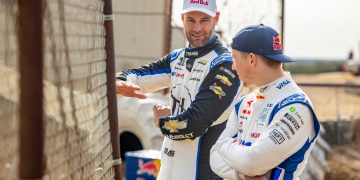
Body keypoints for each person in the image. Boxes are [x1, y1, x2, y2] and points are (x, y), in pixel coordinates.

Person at [116, 0, 242, 179]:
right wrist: (119, 83)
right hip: (169, 168)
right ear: (182, 18)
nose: (197, 28)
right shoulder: (177, 58)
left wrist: (162, 122)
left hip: (202, 172)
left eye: (204, 20)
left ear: (216, 19)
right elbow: (136, 75)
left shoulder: (225, 65)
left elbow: (193, 123)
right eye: (191, 20)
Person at [210, 24, 320, 180]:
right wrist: (243, 176)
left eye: (234, 58)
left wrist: (224, 146)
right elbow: (214, 157)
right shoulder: (244, 103)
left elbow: (252, 162)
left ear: (251, 59)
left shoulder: (296, 106)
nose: (233, 66)